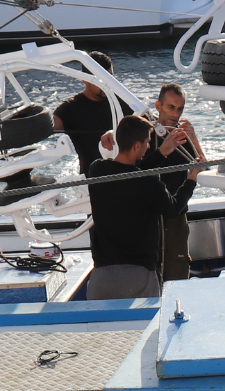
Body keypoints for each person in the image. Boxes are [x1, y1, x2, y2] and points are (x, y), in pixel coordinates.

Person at [85, 115, 198, 299]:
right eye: (146, 142)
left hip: (102, 278)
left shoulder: (97, 170)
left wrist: (161, 153)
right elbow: (173, 208)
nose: (148, 146)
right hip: (138, 278)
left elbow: (130, 174)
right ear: (137, 145)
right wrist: (191, 180)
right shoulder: (149, 183)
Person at [138, 83, 201, 282]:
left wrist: (194, 139)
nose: (176, 114)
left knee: (178, 272)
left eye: (180, 108)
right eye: (171, 107)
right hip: (149, 218)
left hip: (177, 215)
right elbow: (134, 169)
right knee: (149, 271)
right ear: (158, 106)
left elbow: (203, 166)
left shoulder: (184, 136)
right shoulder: (144, 132)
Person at [51, 51, 115, 170]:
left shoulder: (122, 101)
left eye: (110, 77)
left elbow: (145, 124)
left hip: (125, 174)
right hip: (91, 179)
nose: (106, 84)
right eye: (100, 79)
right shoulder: (70, 108)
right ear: (84, 79)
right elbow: (49, 127)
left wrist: (115, 132)